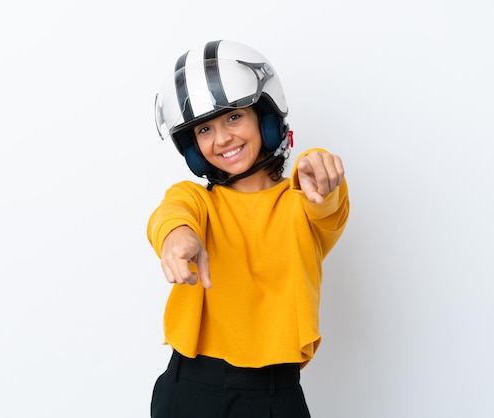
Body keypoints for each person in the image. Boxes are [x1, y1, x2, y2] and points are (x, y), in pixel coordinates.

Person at [147, 39, 349, 418]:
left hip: (272, 396)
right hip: (188, 388)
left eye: (234, 117)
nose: (221, 138)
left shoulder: (301, 204)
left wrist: (316, 167)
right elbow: (172, 213)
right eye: (204, 129)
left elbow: (325, 200)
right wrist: (178, 236)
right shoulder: (197, 201)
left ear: (266, 118)